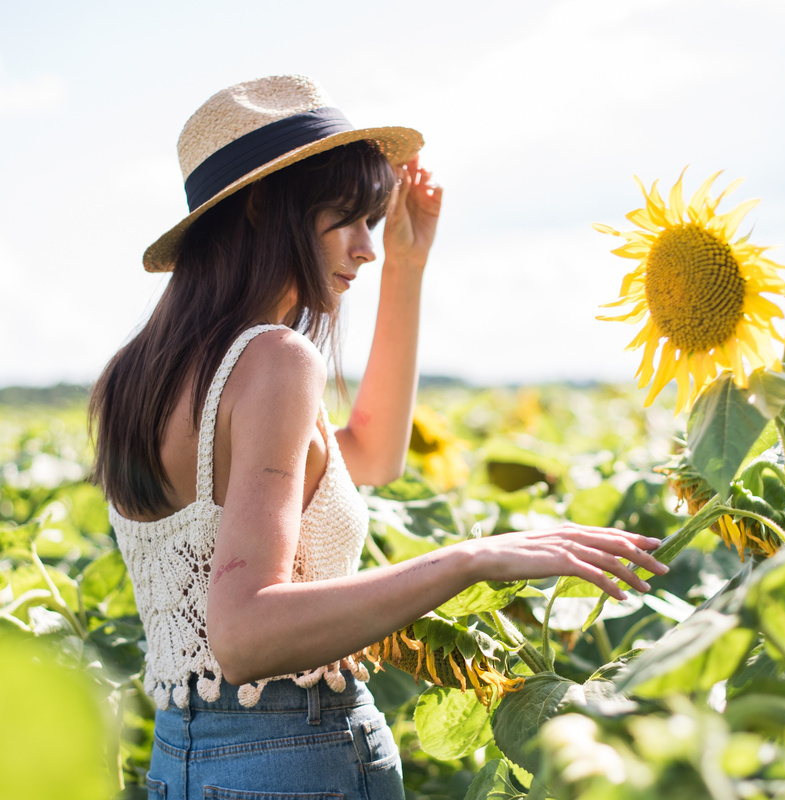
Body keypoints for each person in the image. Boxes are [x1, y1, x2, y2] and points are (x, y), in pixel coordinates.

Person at [90, 75, 668, 799]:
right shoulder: (274, 359)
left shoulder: (131, 378)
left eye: (374, 220)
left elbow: (371, 454)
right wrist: (472, 559)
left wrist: (407, 267)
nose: (365, 247)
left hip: (184, 761)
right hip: (297, 753)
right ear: (263, 211)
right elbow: (243, 634)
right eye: (346, 218)